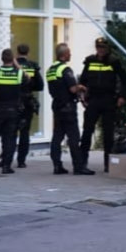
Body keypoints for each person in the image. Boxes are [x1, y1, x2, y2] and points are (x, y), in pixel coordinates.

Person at [80, 38, 126, 173]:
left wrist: (122, 96)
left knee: (108, 133)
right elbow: (83, 80)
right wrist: (82, 96)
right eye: (98, 47)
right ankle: (82, 162)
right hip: (93, 100)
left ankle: (108, 163)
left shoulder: (114, 62)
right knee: (87, 131)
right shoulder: (90, 61)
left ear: (107, 48)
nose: (100, 50)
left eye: (103, 47)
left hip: (109, 100)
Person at [45, 43, 94, 175]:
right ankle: (78, 167)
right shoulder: (65, 69)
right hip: (68, 107)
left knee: (57, 136)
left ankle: (57, 165)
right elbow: (72, 88)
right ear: (64, 54)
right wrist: (82, 87)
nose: (70, 55)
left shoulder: (50, 69)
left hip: (57, 105)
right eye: (69, 53)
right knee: (74, 137)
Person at [13, 43, 42, 169]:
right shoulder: (32, 66)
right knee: (25, 132)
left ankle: (6, 158)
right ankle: (21, 160)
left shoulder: (13, 66)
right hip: (27, 101)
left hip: (13, 101)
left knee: (10, 131)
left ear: (17, 52)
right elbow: (40, 86)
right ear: (28, 52)